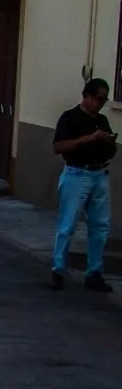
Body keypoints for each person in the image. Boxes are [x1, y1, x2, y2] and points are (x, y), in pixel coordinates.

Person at [51, 77, 116, 292]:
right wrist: (88, 139)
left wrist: (107, 141)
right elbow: (59, 146)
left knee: (100, 226)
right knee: (68, 224)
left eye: (104, 100)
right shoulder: (70, 118)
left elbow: (112, 150)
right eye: (98, 99)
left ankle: (94, 272)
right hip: (77, 174)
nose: (100, 103)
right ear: (86, 96)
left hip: (100, 173)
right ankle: (58, 269)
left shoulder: (102, 120)